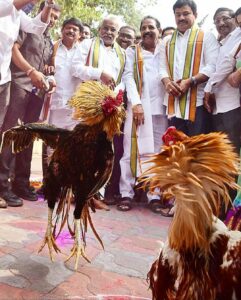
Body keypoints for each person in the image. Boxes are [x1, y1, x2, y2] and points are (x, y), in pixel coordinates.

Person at [0, 2, 60, 209]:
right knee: (11, 135)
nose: (52, 20)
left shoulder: (47, 38)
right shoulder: (11, 12)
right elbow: (15, 51)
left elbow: (38, 28)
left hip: (34, 90)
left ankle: (21, 183)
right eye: (51, 14)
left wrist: (47, 78)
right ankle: (3, 185)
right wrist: (30, 72)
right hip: (18, 84)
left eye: (55, 17)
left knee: (26, 138)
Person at [117, 16, 168, 212]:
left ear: (159, 30)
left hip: (162, 110)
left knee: (157, 153)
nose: (147, 30)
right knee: (131, 150)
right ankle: (126, 193)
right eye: (144, 27)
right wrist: (136, 103)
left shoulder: (166, 50)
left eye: (151, 27)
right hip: (139, 108)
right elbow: (129, 76)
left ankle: (154, 195)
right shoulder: (133, 51)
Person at [159, 0, 219, 136]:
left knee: (198, 149)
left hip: (197, 104)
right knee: (178, 150)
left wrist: (191, 81)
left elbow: (213, 66)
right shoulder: (167, 41)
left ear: (195, 14)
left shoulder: (206, 36)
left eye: (186, 13)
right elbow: (161, 68)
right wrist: (167, 83)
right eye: (177, 14)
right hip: (173, 104)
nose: (181, 18)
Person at [0, 0, 55, 129]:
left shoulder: (18, 13)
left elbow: (36, 28)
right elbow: (7, 7)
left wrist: (48, 5)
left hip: (4, 80)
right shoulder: (6, 5)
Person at [204, 7, 241, 154]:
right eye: (217, 21)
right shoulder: (221, 43)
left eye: (225, 18)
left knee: (233, 152)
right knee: (222, 154)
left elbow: (227, 64)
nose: (221, 23)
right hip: (217, 106)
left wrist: (208, 87)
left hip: (232, 105)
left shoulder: (238, 36)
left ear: (235, 20)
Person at [71, 15, 125, 90]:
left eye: (113, 30)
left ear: (118, 34)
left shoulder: (122, 54)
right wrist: (99, 74)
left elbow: (123, 80)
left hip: (112, 98)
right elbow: (75, 68)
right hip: (88, 96)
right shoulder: (87, 44)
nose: (108, 32)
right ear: (99, 30)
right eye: (105, 28)